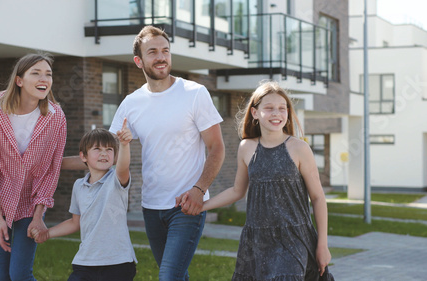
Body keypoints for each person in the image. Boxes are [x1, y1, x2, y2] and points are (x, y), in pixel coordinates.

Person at [180, 80, 334, 280]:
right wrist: (201, 206)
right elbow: (237, 191)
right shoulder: (246, 147)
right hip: (257, 241)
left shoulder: (299, 148)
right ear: (254, 113)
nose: (276, 114)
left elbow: (318, 198)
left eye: (281, 108)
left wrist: (322, 245)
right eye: (269, 108)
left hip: (294, 238)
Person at [108, 25, 225, 280]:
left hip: (186, 206)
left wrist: (199, 190)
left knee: (169, 276)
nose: (161, 57)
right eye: (152, 52)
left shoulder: (194, 94)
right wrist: (57, 163)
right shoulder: (132, 103)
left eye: (165, 50)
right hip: (151, 206)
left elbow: (216, 147)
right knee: (175, 275)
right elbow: (107, 151)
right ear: (139, 61)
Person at [0, 53, 67, 281]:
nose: (44, 78)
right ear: (19, 80)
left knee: (20, 274)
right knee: (1, 274)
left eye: (48, 74)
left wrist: (38, 215)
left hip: (29, 203)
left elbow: (50, 170)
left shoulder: (56, 117)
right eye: (36, 73)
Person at [32, 122, 137, 281]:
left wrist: (124, 145)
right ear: (83, 156)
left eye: (109, 150)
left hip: (118, 263)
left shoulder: (116, 180)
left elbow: (123, 167)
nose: (104, 153)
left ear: (115, 156)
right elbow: (75, 223)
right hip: (85, 262)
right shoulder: (78, 186)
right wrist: (47, 233)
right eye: (97, 149)